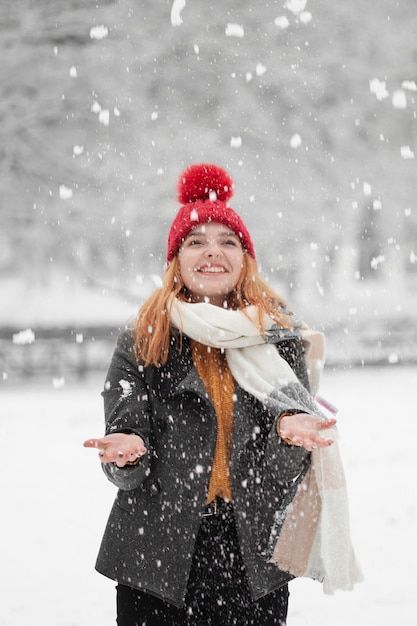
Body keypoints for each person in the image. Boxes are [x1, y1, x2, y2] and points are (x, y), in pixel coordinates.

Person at [83, 163, 343, 625]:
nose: (212, 253)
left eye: (227, 241)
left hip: (251, 551)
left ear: (246, 258)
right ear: (176, 259)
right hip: (155, 551)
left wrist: (289, 435)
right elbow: (125, 447)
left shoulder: (275, 335)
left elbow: (282, 475)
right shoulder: (145, 337)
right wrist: (126, 451)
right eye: (195, 241)